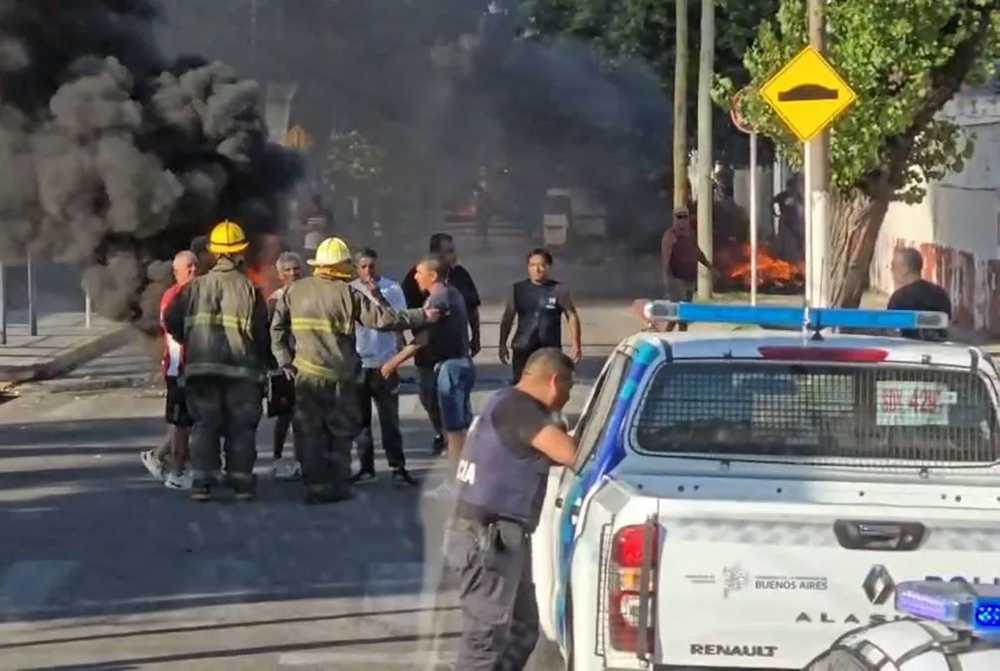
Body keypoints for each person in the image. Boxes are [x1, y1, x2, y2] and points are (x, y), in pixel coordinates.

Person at [271, 237, 437, 504]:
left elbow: (277, 329)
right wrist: (422, 316)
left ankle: (314, 486)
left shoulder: (294, 291)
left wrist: (284, 360)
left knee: (310, 433)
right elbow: (384, 320)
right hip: (339, 380)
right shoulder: (348, 294)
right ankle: (336, 486)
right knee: (338, 433)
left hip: (306, 378)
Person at [446, 348, 579, 670]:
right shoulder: (520, 409)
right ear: (555, 381)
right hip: (486, 539)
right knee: (486, 638)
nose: (567, 397)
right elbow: (572, 454)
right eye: (568, 389)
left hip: (499, 538)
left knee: (521, 630)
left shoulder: (507, 401)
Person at [164, 220, 273, 502]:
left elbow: (171, 321)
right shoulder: (250, 290)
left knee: (205, 425)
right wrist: (266, 364)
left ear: (213, 252)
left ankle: (202, 483)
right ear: (239, 253)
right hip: (242, 372)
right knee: (241, 426)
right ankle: (241, 484)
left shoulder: (193, 288)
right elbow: (262, 333)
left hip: (202, 370)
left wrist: (193, 340)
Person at [383, 255, 474, 499]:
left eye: (419, 272)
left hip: (452, 368)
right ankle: (467, 481)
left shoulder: (439, 298)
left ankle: (455, 485)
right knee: (461, 427)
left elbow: (422, 338)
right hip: (459, 365)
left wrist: (392, 363)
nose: (415, 277)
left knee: (454, 430)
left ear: (433, 275)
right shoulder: (451, 293)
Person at [402, 233, 481, 456]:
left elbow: (473, 309)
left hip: (451, 351)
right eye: (449, 251)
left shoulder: (460, 277)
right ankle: (442, 433)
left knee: (455, 402)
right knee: (429, 396)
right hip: (427, 353)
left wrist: (476, 337)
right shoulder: (415, 276)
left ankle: (457, 444)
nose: (454, 255)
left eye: (453, 250)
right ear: (436, 253)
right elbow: (403, 311)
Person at [349, 248, 417, 486]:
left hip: (384, 362)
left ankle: (398, 466)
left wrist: (377, 295)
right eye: (363, 266)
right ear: (356, 268)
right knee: (360, 420)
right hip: (359, 362)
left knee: (389, 419)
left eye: (372, 266)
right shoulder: (350, 289)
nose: (368, 271)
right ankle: (366, 467)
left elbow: (398, 318)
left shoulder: (391, 287)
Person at [140, 250, 199, 489]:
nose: (194, 270)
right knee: (181, 423)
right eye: (189, 268)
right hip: (179, 368)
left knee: (185, 422)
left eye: (195, 266)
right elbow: (175, 329)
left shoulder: (196, 293)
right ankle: (177, 473)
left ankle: (157, 456)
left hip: (192, 366)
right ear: (177, 272)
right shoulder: (173, 296)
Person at [499, 248, 582, 382]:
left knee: (548, 387)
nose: (537, 269)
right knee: (522, 388)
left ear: (548, 267)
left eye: (542, 265)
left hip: (549, 350)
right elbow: (508, 318)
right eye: (532, 265)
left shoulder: (559, 290)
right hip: (523, 348)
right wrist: (502, 344)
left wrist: (576, 344)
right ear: (528, 267)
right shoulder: (518, 289)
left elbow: (571, 316)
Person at [268, 251, 303, 481]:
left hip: (305, 360)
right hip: (283, 363)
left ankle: (301, 459)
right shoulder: (274, 299)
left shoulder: (307, 294)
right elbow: (271, 333)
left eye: (296, 269)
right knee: (284, 414)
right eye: (287, 270)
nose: (292, 273)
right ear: (280, 275)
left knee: (302, 414)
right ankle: (277, 458)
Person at [659, 206, 716, 332]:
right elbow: (666, 260)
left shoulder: (690, 234)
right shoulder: (670, 236)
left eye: (685, 217)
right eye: (679, 217)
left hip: (688, 278)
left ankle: (678, 335)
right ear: (674, 219)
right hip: (676, 279)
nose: (682, 220)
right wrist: (668, 280)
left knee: (684, 313)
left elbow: (697, 251)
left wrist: (708, 265)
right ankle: (670, 336)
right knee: (678, 312)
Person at [887, 247, 952, 340]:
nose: (891, 271)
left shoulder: (899, 298)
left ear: (905, 270)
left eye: (893, 266)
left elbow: (890, 332)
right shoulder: (940, 293)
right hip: (938, 350)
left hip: (908, 350)